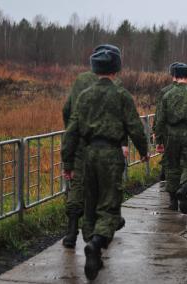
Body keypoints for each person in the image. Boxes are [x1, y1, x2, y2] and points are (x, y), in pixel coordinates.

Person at [62, 44, 149, 280]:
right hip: (110, 155)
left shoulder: (84, 95)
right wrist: (143, 151)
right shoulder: (121, 95)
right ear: (116, 68)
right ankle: (97, 242)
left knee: (89, 205)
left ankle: (91, 243)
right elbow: (134, 126)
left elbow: (71, 131)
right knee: (109, 204)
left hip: (87, 155)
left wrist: (67, 164)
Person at [61, 46, 128, 249]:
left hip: (80, 141)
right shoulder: (115, 83)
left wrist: (72, 133)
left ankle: (71, 231)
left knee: (78, 184)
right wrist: (124, 143)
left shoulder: (80, 80)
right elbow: (122, 117)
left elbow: (67, 109)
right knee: (106, 186)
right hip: (106, 145)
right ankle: (106, 224)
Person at [155, 64, 187, 214]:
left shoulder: (167, 95)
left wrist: (159, 141)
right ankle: (184, 188)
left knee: (172, 166)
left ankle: (173, 201)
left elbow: (159, 120)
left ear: (176, 76)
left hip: (171, 135)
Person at [153, 62, 182, 183]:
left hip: (166, 128)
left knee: (168, 152)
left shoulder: (164, 91)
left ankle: (165, 175)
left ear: (171, 74)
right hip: (183, 128)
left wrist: (155, 130)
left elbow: (159, 112)